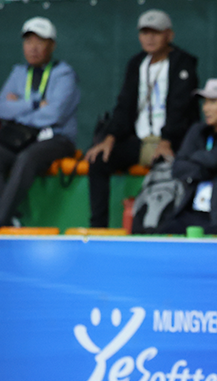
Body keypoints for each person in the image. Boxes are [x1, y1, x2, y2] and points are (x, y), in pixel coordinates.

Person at [84, 10, 199, 229]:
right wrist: (110, 138)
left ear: (169, 35)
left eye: (156, 32)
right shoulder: (136, 64)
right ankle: (98, 227)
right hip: (140, 141)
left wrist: (167, 140)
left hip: (172, 141)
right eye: (145, 32)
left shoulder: (184, 63)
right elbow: (124, 104)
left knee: (167, 167)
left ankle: (159, 226)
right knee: (98, 160)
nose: (150, 38)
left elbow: (180, 107)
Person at [0, 17, 80, 229]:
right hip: (22, 136)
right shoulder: (19, 72)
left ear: (52, 45)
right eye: (28, 41)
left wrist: (18, 109)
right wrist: (34, 104)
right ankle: (11, 218)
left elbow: (54, 115)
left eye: (40, 41)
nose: (33, 48)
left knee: (26, 158)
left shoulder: (64, 74)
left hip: (57, 139)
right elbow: (0, 108)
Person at [152, 78, 217, 235]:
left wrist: (193, 159)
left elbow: (214, 159)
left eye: (213, 102)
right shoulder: (197, 130)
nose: (206, 108)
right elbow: (178, 167)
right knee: (165, 233)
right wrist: (208, 167)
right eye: (205, 102)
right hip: (192, 214)